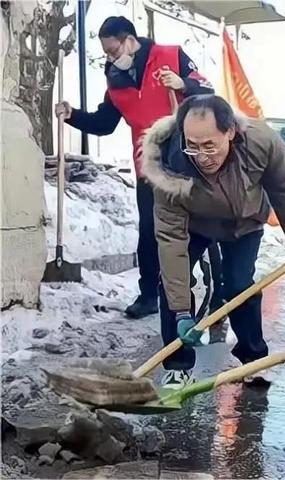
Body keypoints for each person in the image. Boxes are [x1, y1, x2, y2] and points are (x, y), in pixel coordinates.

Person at [141, 94, 285, 388]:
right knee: (170, 283)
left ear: (230, 131)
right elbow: (171, 242)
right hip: (194, 224)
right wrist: (182, 311)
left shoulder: (260, 142)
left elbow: (284, 190)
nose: (202, 155)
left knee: (238, 284)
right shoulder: (168, 167)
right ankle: (178, 366)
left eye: (209, 145)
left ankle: (252, 358)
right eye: (192, 145)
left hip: (244, 222)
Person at [55, 16, 214, 319]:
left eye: (113, 50)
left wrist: (183, 84)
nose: (111, 57)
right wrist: (72, 115)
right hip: (148, 167)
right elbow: (104, 123)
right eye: (107, 53)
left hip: (186, 162)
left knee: (197, 228)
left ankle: (204, 282)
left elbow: (208, 91)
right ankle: (150, 294)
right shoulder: (116, 80)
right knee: (149, 232)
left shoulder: (171, 56)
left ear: (129, 40)